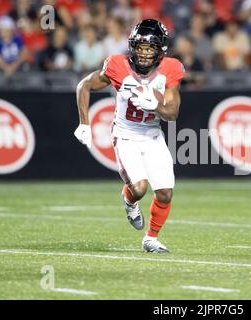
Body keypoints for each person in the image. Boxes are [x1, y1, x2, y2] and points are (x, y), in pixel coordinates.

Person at [74, 19, 184, 253]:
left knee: (165, 193)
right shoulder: (117, 65)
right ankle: (129, 200)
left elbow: (172, 114)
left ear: (161, 50)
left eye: (150, 48)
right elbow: (84, 85)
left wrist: (155, 105)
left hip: (153, 135)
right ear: (132, 46)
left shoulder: (170, 69)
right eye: (140, 47)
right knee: (140, 188)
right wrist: (84, 123)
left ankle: (151, 239)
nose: (144, 54)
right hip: (125, 135)